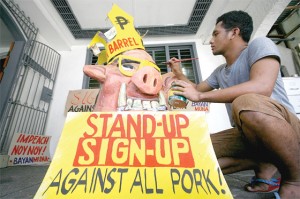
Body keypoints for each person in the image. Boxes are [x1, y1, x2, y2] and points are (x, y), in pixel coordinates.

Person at [167, 10, 300, 199]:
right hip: (246, 134)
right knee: (192, 149)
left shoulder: (259, 45)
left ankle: (295, 179)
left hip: (286, 128)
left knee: (246, 101)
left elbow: (261, 87)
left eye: (215, 33)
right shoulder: (220, 72)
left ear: (234, 32)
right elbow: (197, 89)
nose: (211, 40)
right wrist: (178, 72)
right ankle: (263, 161)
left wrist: (200, 96)